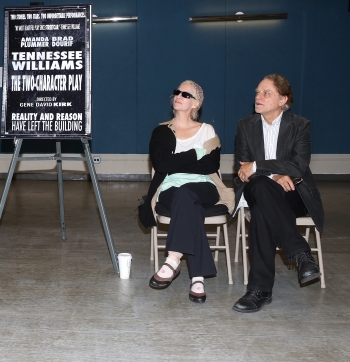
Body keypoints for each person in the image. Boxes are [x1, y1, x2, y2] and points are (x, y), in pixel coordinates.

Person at [232, 74, 324, 313]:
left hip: (293, 192)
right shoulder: (245, 125)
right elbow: (244, 169)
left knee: (262, 208)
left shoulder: (300, 125)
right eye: (257, 92)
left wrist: (259, 167)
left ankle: (259, 291)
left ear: (283, 99)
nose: (258, 97)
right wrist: (273, 175)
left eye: (266, 93)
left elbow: (297, 167)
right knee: (261, 188)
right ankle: (301, 253)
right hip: (259, 188)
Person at [139, 80, 233, 303]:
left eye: (186, 94)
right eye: (177, 92)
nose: (179, 95)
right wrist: (197, 153)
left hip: (206, 187)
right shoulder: (161, 131)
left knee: (187, 194)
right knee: (186, 199)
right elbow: (162, 165)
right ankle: (198, 277)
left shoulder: (207, 130)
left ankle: (173, 260)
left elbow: (210, 166)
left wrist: (177, 162)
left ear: (196, 104)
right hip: (170, 188)